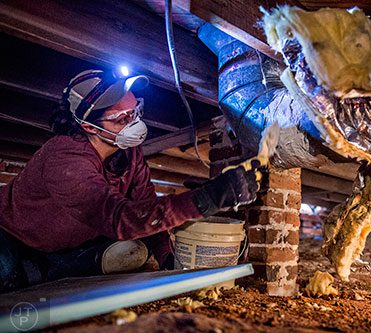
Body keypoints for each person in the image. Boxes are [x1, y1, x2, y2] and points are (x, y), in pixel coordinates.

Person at [0, 69, 259, 291]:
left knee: (134, 251)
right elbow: (119, 218)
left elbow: (144, 204)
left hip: (67, 241)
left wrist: (167, 259)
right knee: (6, 274)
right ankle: (42, 269)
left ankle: (51, 267)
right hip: (13, 238)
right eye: (122, 119)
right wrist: (206, 199)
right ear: (89, 126)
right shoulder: (65, 157)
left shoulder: (129, 153)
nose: (135, 122)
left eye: (136, 111)